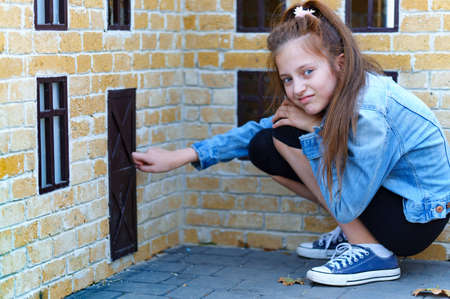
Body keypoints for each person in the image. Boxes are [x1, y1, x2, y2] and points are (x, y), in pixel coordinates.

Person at [132, 1, 450, 286]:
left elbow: (346, 203)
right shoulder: (333, 92)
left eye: (307, 72)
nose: (298, 88)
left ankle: (371, 252)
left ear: (339, 63)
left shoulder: (369, 111)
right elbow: (265, 127)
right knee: (267, 142)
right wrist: (184, 155)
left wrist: (315, 131)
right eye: (288, 79)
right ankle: (359, 234)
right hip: (384, 200)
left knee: (292, 136)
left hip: (414, 219)